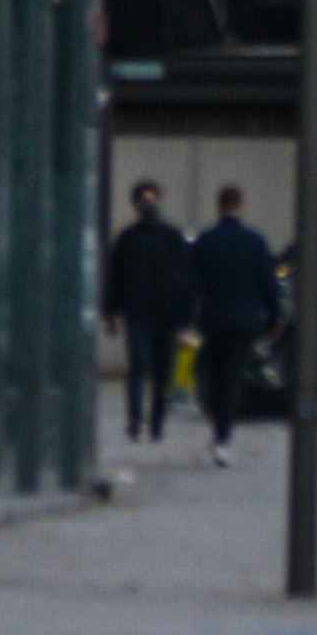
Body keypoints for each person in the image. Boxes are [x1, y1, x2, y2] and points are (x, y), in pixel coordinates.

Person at [186, 180, 284, 463]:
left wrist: (190, 317)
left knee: (214, 374)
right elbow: (268, 283)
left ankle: (219, 429)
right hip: (245, 319)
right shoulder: (255, 241)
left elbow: (193, 284)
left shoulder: (206, 241)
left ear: (219, 206)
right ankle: (224, 437)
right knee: (232, 376)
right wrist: (275, 317)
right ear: (240, 206)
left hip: (213, 318)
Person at [103, 179, 198, 447]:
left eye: (151, 197)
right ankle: (136, 421)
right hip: (138, 313)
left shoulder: (170, 238)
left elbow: (187, 279)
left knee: (160, 371)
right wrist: (110, 312)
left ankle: (155, 421)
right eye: (144, 198)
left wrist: (186, 315)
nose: (149, 203)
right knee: (138, 367)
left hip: (165, 314)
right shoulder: (129, 239)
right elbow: (115, 277)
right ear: (136, 204)